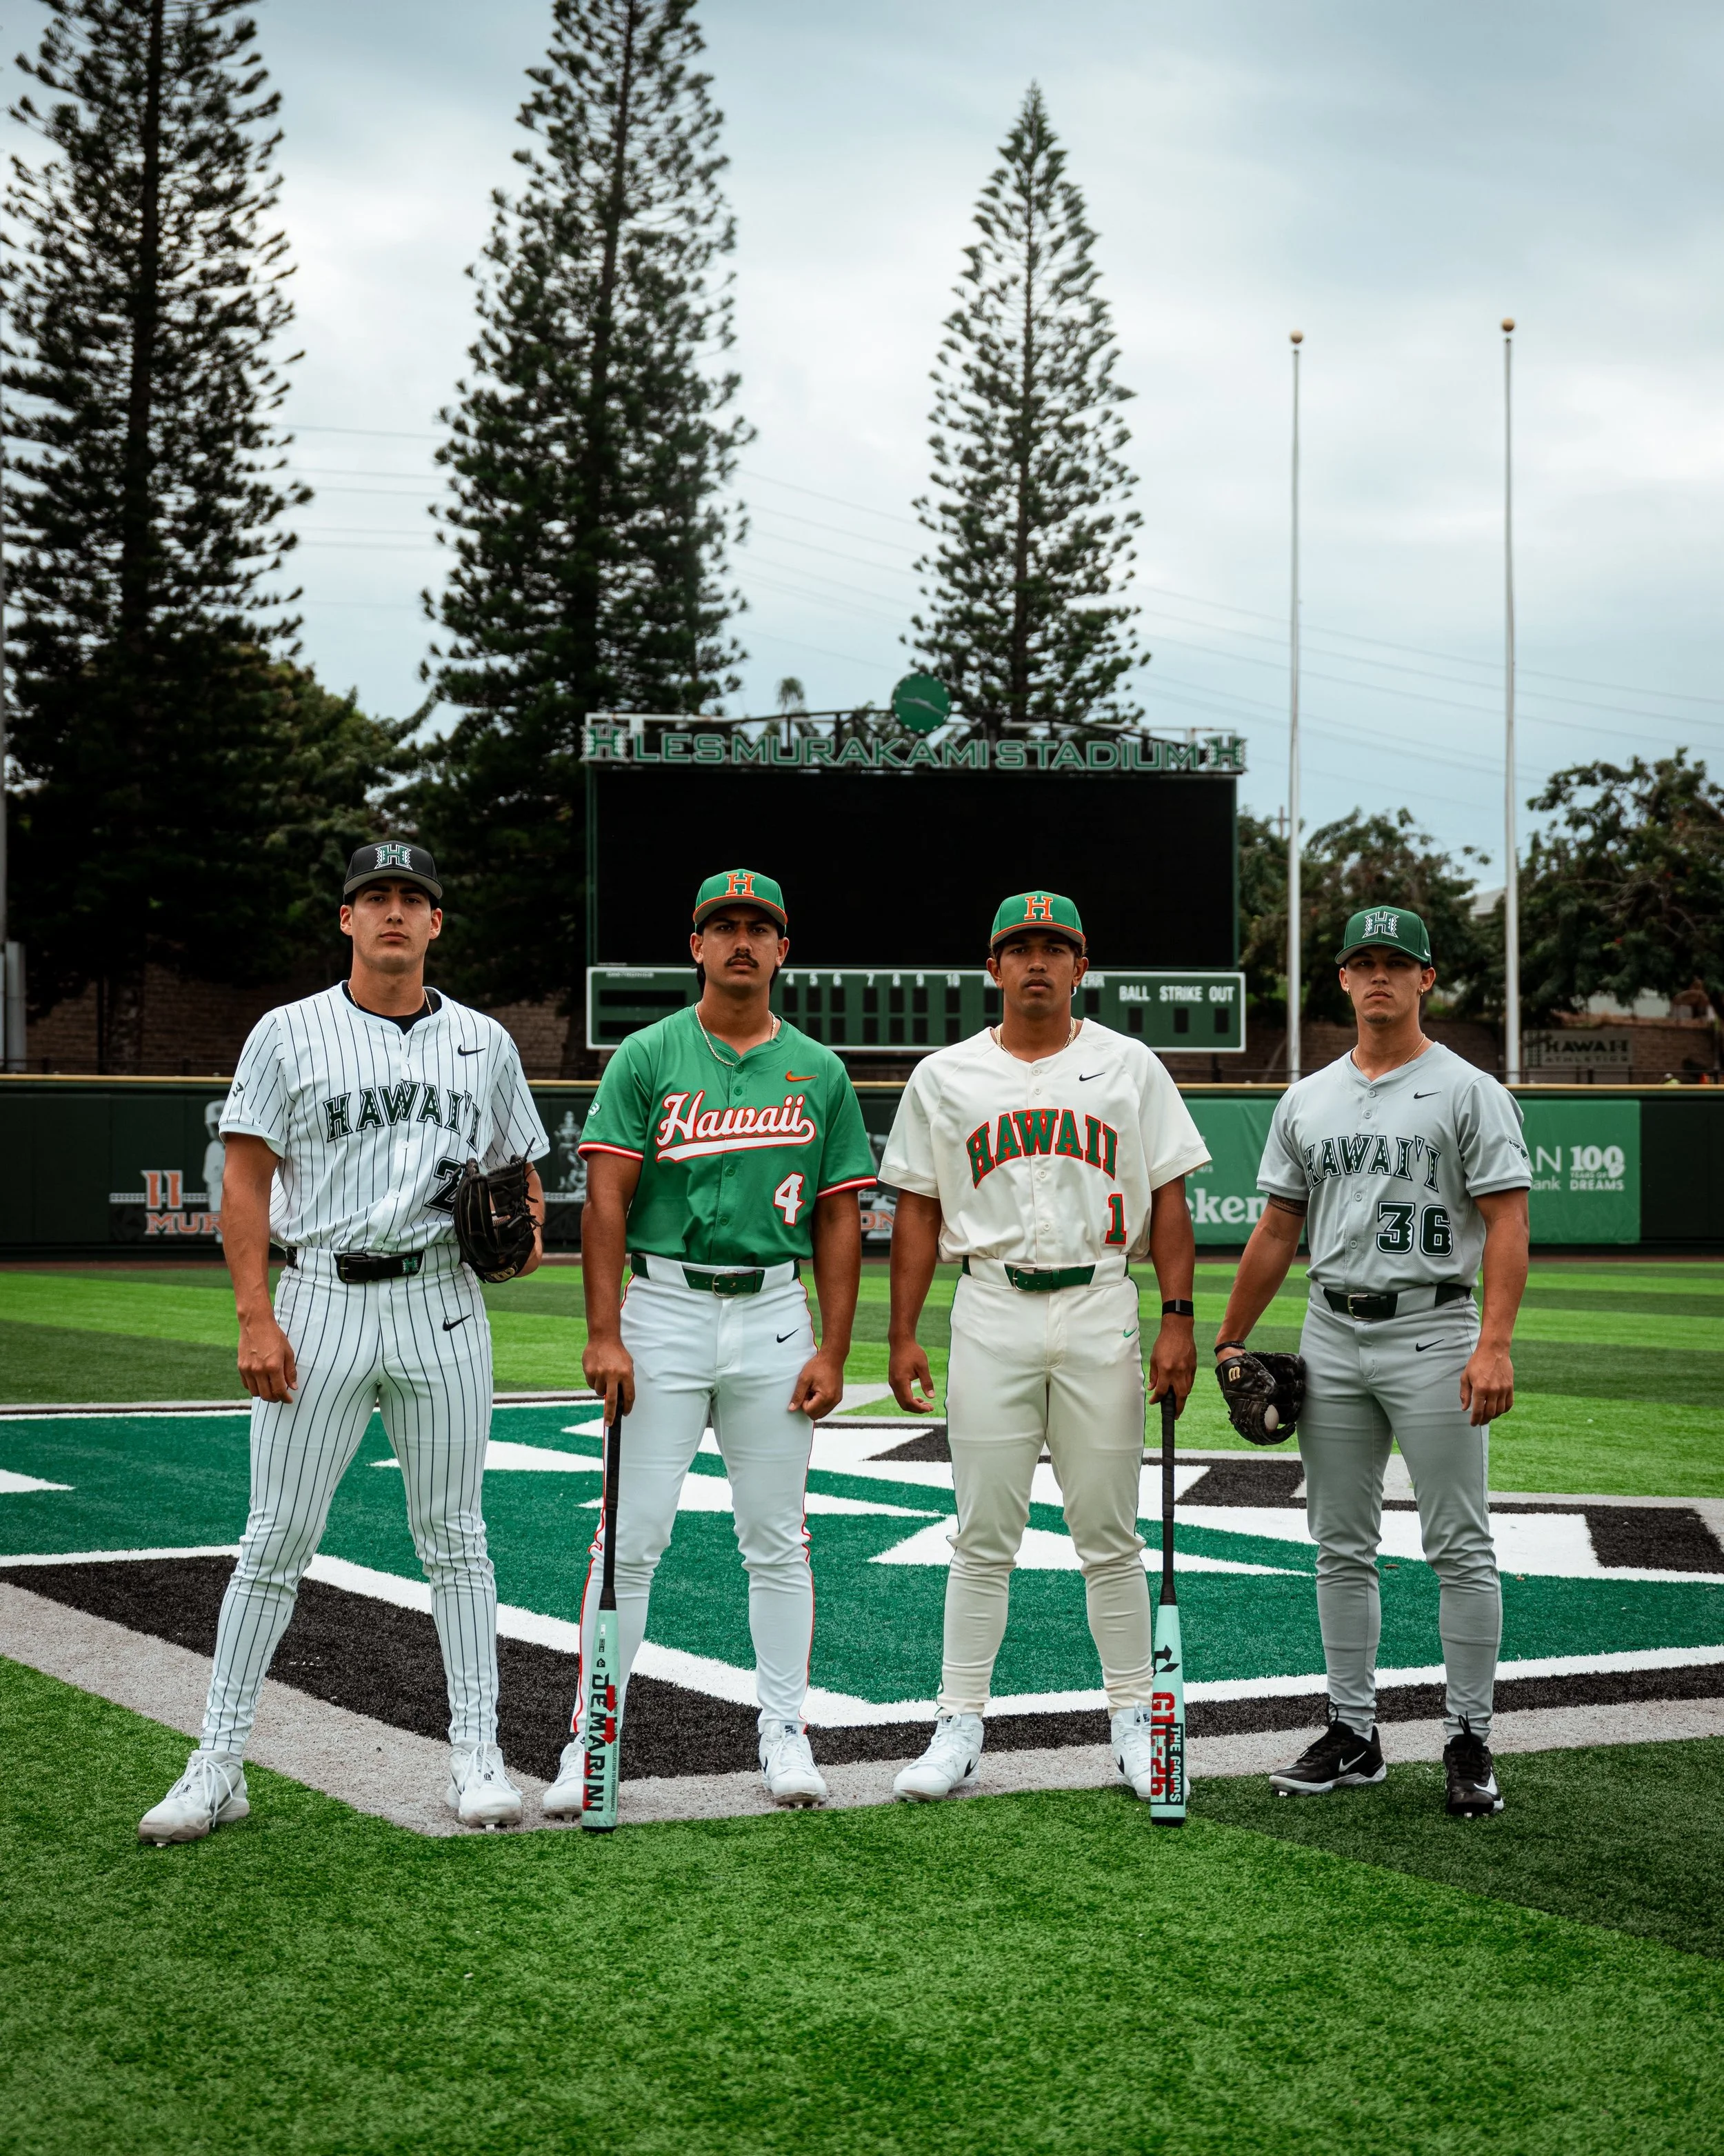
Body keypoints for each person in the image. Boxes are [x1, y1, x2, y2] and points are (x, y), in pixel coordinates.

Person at [138, 843, 550, 1845]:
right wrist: (253, 1314)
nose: (396, 913)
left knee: (455, 1537)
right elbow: (242, 1183)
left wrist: (520, 1235)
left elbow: (523, 1174)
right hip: (319, 1297)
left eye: (414, 898)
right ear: (347, 919)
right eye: (377, 898)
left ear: (437, 922)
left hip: (442, 1303)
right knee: (274, 1538)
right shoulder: (288, 1033)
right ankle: (217, 1763)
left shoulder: (486, 1043)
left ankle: (477, 1757)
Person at [542, 870, 874, 1818]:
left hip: (774, 1312)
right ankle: (593, 1733)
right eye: (722, 925)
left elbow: (840, 1217)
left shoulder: (821, 1068)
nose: (740, 940)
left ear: (782, 949)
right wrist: (604, 1331)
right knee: (632, 1535)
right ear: (696, 945)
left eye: (757, 927)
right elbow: (605, 1198)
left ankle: (784, 1730)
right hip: (666, 1311)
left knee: (776, 1536)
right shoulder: (648, 1055)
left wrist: (833, 1349)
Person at [879, 891, 1211, 1803]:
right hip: (990, 1307)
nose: (1036, 960)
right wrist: (903, 1331)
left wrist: (1178, 1318)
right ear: (992, 967)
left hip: (1102, 1303)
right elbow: (918, 1209)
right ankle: (958, 1720)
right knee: (983, 1534)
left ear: (1081, 964)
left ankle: (1135, 1718)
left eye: (1054, 947)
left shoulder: (1130, 1065)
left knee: (1107, 1533)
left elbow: (1172, 1199)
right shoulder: (945, 1075)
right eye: (1019, 947)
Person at [1213, 904, 1530, 1818]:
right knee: (1338, 1543)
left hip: (1435, 1328)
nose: (1380, 976)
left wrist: (1495, 1342)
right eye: (1365, 962)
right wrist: (1231, 1336)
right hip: (1332, 1330)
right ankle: (1354, 1731)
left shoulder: (1469, 1090)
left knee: (1459, 1543)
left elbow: (1507, 1220)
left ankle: (1469, 1736)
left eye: (1399, 962)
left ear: (1427, 979)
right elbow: (1279, 1228)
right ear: (1344, 980)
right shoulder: (1306, 1097)